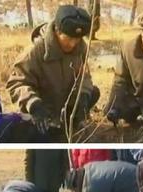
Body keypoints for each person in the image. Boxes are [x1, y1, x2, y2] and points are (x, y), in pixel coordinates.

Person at [6, 5, 100, 143]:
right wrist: (34, 104)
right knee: (41, 138)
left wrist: (82, 98)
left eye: (77, 39)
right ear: (57, 30)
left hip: (66, 107)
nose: (73, 44)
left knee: (93, 92)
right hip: (43, 110)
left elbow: (84, 77)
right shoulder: (34, 51)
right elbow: (16, 83)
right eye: (68, 39)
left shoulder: (81, 48)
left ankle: (69, 125)